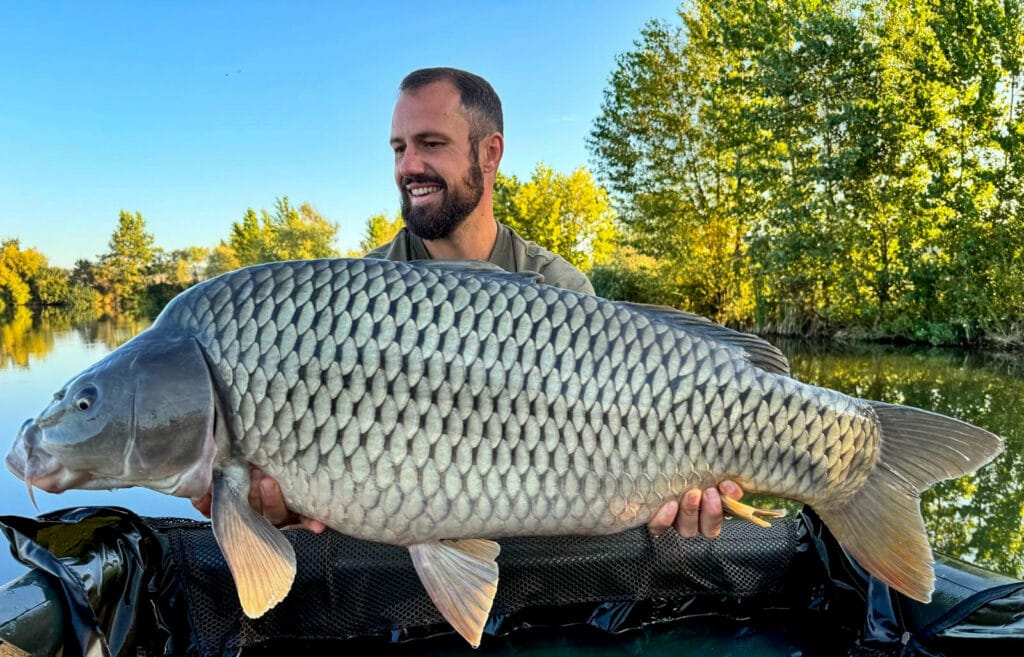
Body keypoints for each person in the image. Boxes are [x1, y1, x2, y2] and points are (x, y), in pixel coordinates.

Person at [192, 67, 744, 539]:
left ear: (490, 153)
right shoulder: (355, 298)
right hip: (402, 576)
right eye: (399, 148)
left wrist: (667, 501)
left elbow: (616, 451)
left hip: (534, 570)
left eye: (431, 144)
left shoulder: (557, 286)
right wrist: (279, 508)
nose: (408, 167)